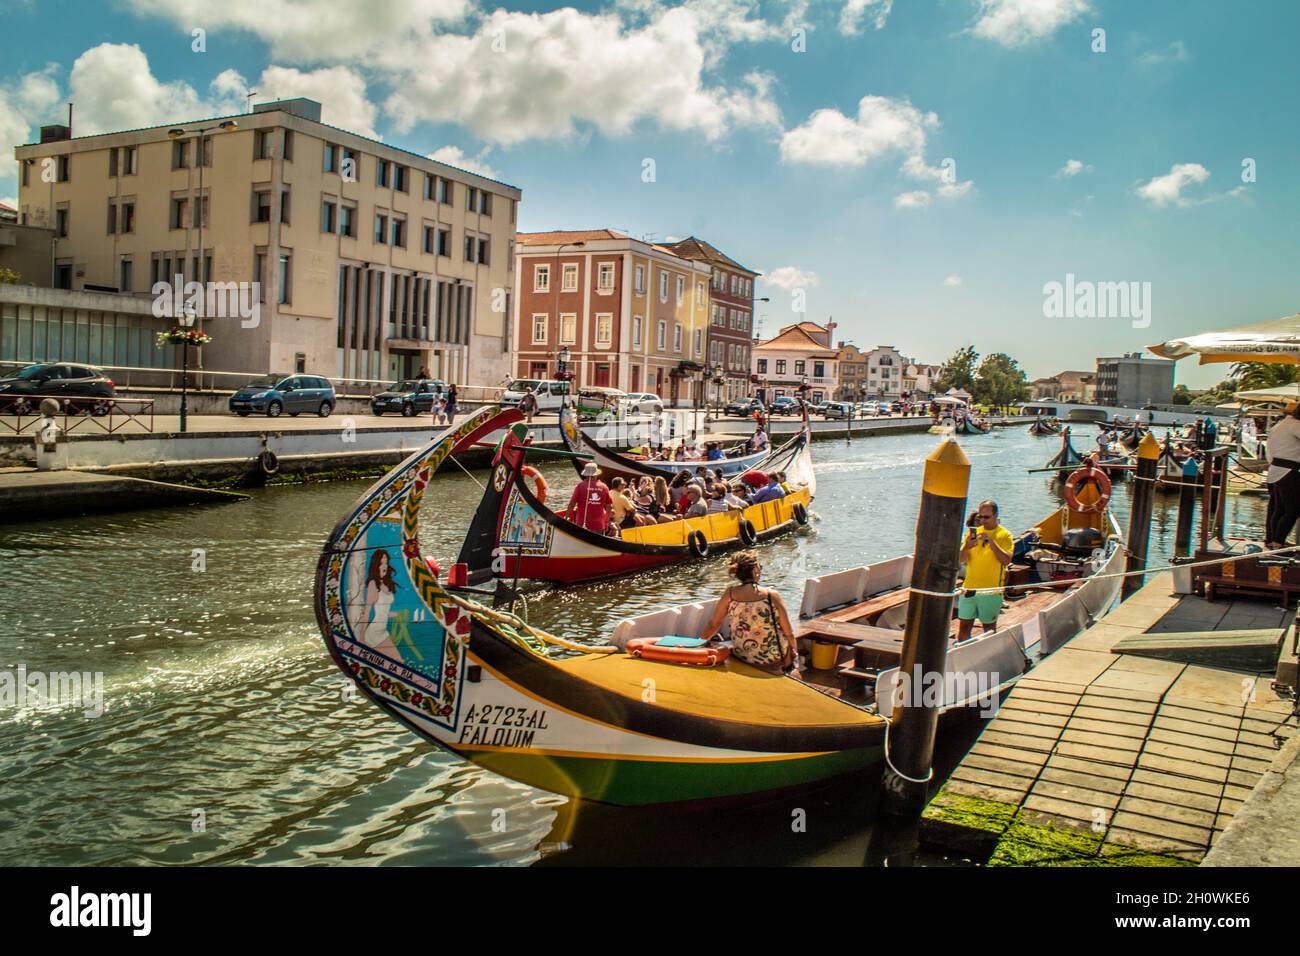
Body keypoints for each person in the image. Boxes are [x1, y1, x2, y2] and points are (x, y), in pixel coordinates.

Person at [700, 551, 798, 674]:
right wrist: (794, 651)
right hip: (772, 657)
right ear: (755, 570)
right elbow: (788, 631)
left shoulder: (729, 594)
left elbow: (713, 625)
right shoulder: (771, 595)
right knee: (789, 646)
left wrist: (698, 644)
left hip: (743, 655)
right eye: (760, 567)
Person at [956, 499, 1014, 640]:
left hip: (991, 591)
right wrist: (967, 546)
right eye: (980, 517)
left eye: (986, 517)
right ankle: (964, 655)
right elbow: (960, 560)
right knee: (963, 628)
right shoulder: (972, 534)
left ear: (995, 516)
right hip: (969, 589)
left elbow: (1006, 561)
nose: (982, 520)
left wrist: (992, 543)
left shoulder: (1005, 535)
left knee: (988, 629)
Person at [1265, 403, 1300, 550]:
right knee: (1294, 509)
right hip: (1288, 471)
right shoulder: (1295, 425)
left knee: (1279, 509)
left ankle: (1273, 540)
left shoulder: (1278, 426)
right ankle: (1278, 542)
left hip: (1276, 470)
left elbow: (1270, 453)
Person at [566, 462, 612, 534]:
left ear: (586, 474)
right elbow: (609, 506)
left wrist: (567, 517)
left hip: (581, 524)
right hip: (599, 525)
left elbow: (572, 504)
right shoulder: (604, 487)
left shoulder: (580, 486)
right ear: (596, 474)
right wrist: (606, 522)